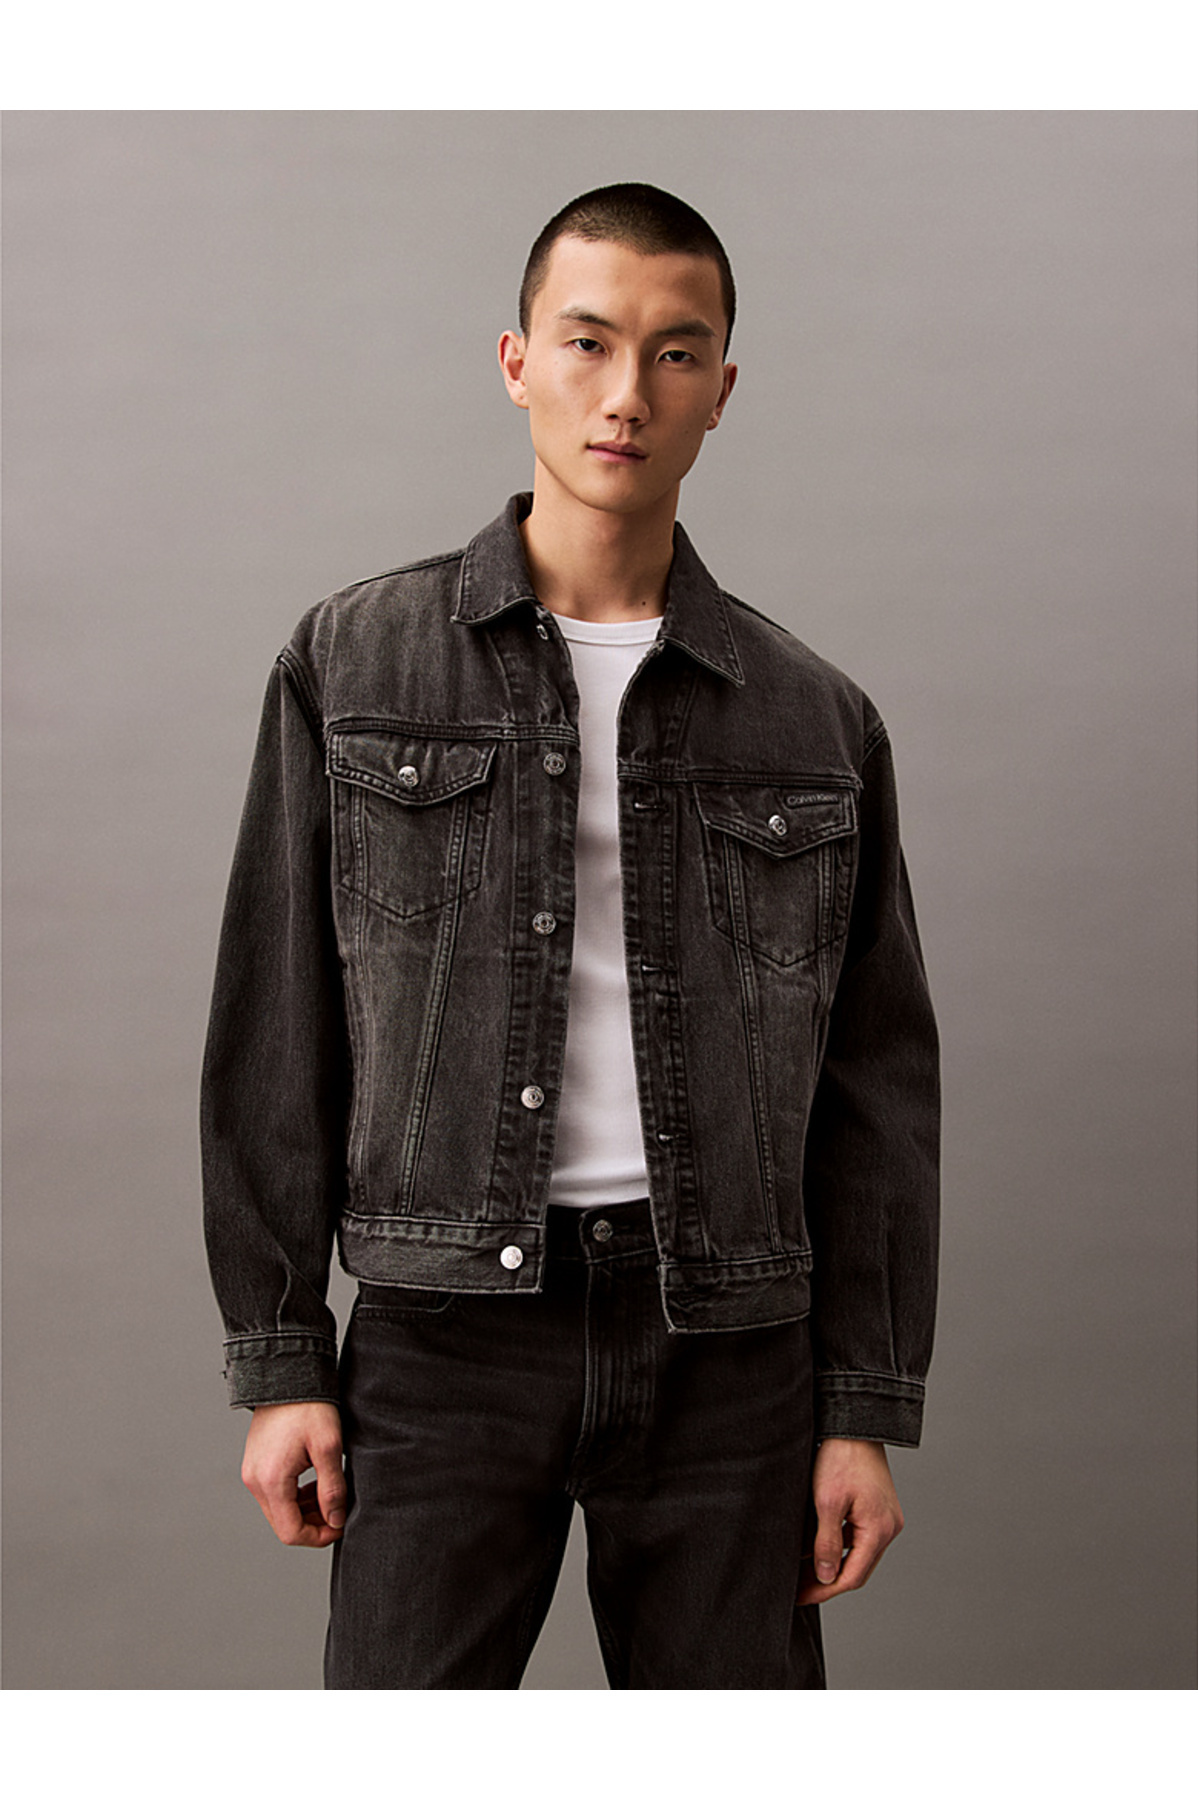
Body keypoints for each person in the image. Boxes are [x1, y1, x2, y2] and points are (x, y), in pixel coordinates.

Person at [201, 182, 940, 1689]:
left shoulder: (816, 718)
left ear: (721, 390)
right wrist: (282, 1360)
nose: (626, 394)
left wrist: (860, 1404)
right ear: (516, 360)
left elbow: (875, 1088)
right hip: (444, 1336)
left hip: (728, 1347)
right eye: (588, 342)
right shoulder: (355, 663)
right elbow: (278, 1022)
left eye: (676, 352)